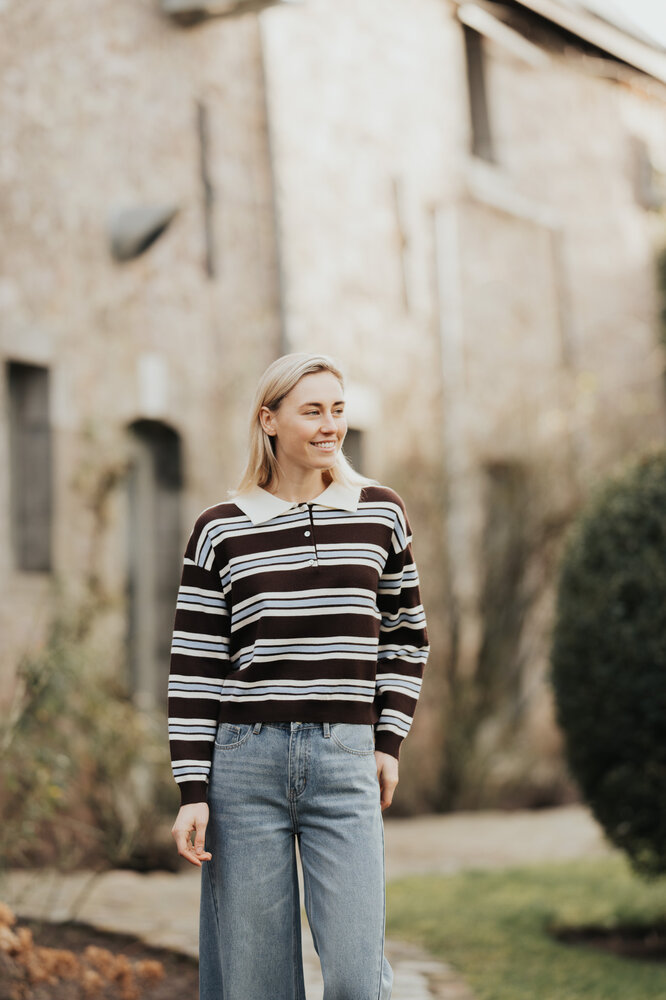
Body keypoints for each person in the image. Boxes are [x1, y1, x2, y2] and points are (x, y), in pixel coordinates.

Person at [167, 353, 429, 1000]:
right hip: (244, 766)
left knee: (356, 974)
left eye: (337, 410)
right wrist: (192, 789)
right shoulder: (218, 530)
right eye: (312, 411)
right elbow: (195, 667)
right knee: (255, 982)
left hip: (345, 760)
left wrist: (388, 741)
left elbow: (406, 635)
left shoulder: (380, 513)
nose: (329, 426)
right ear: (269, 421)